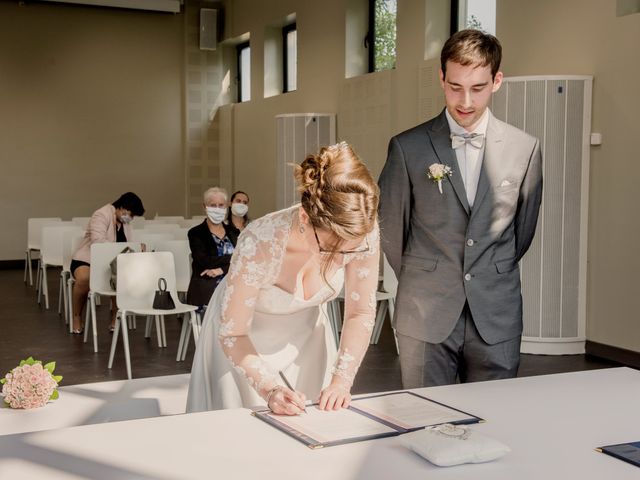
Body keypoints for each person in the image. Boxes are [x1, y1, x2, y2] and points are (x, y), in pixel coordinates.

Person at [378, 29, 543, 388]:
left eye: (478, 88)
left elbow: (522, 231)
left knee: (494, 420)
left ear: (497, 81)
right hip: (425, 311)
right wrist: (427, 274)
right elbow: (391, 230)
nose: (465, 101)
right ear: (441, 78)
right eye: (455, 86)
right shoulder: (407, 148)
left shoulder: (524, 148)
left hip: (495, 312)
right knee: (426, 420)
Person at [186, 142, 380, 415]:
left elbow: (360, 312)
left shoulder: (361, 230)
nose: (339, 261)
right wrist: (270, 389)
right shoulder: (260, 241)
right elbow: (233, 332)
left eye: (350, 252)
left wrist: (341, 380)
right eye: (329, 248)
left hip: (307, 339)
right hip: (241, 337)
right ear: (304, 217)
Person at [70, 192, 145, 334]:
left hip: (111, 262)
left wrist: (138, 247)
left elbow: (129, 244)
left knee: (122, 276)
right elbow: (99, 243)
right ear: (121, 207)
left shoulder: (125, 223)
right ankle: (77, 316)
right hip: (87, 259)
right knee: (84, 279)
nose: (131, 218)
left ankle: (115, 316)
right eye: (131, 214)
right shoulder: (101, 214)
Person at [186, 187, 239, 309]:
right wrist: (233, 258)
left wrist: (221, 270)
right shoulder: (196, 233)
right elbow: (205, 261)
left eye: (221, 205)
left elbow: (244, 260)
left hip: (233, 284)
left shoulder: (234, 232)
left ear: (226, 207)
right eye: (213, 205)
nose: (217, 209)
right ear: (204, 206)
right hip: (207, 284)